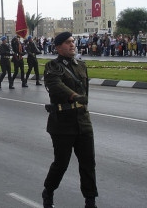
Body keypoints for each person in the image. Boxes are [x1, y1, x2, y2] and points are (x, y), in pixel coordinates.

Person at [42, 31, 98, 208]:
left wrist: (82, 103)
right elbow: (55, 85)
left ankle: (90, 201)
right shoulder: (53, 66)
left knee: (88, 163)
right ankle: (48, 191)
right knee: (61, 163)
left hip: (83, 121)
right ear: (58, 47)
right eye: (67, 42)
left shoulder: (81, 65)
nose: (72, 44)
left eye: (73, 41)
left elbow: (85, 91)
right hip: (62, 123)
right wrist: (74, 96)